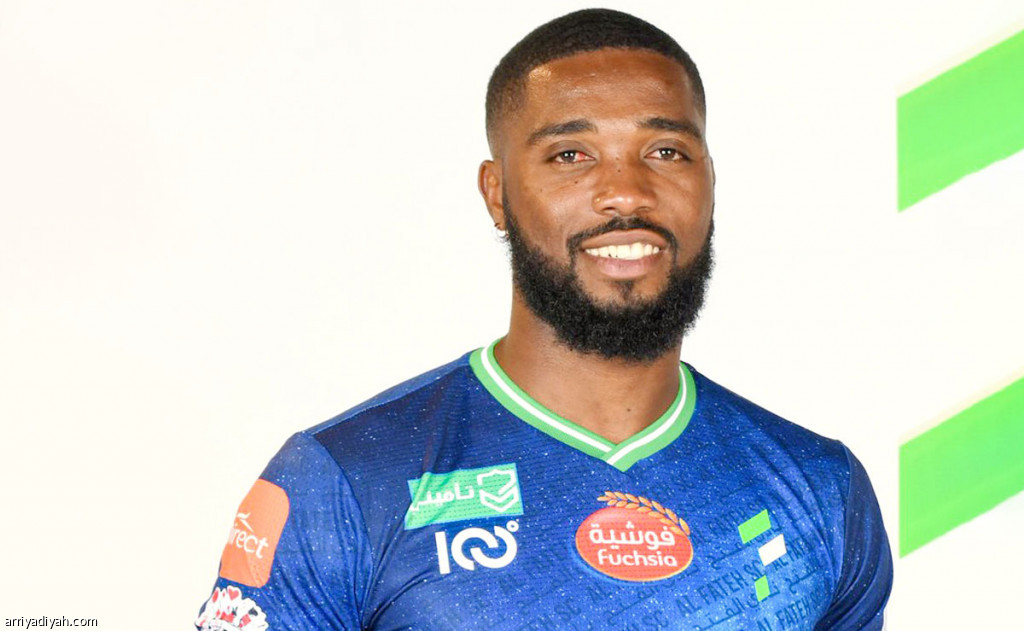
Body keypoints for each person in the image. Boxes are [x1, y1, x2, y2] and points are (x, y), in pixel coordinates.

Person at [196, 9, 892, 630]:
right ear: (497, 194)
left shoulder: (820, 488)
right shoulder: (344, 482)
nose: (626, 193)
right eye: (570, 155)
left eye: (666, 151)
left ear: (710, 179)